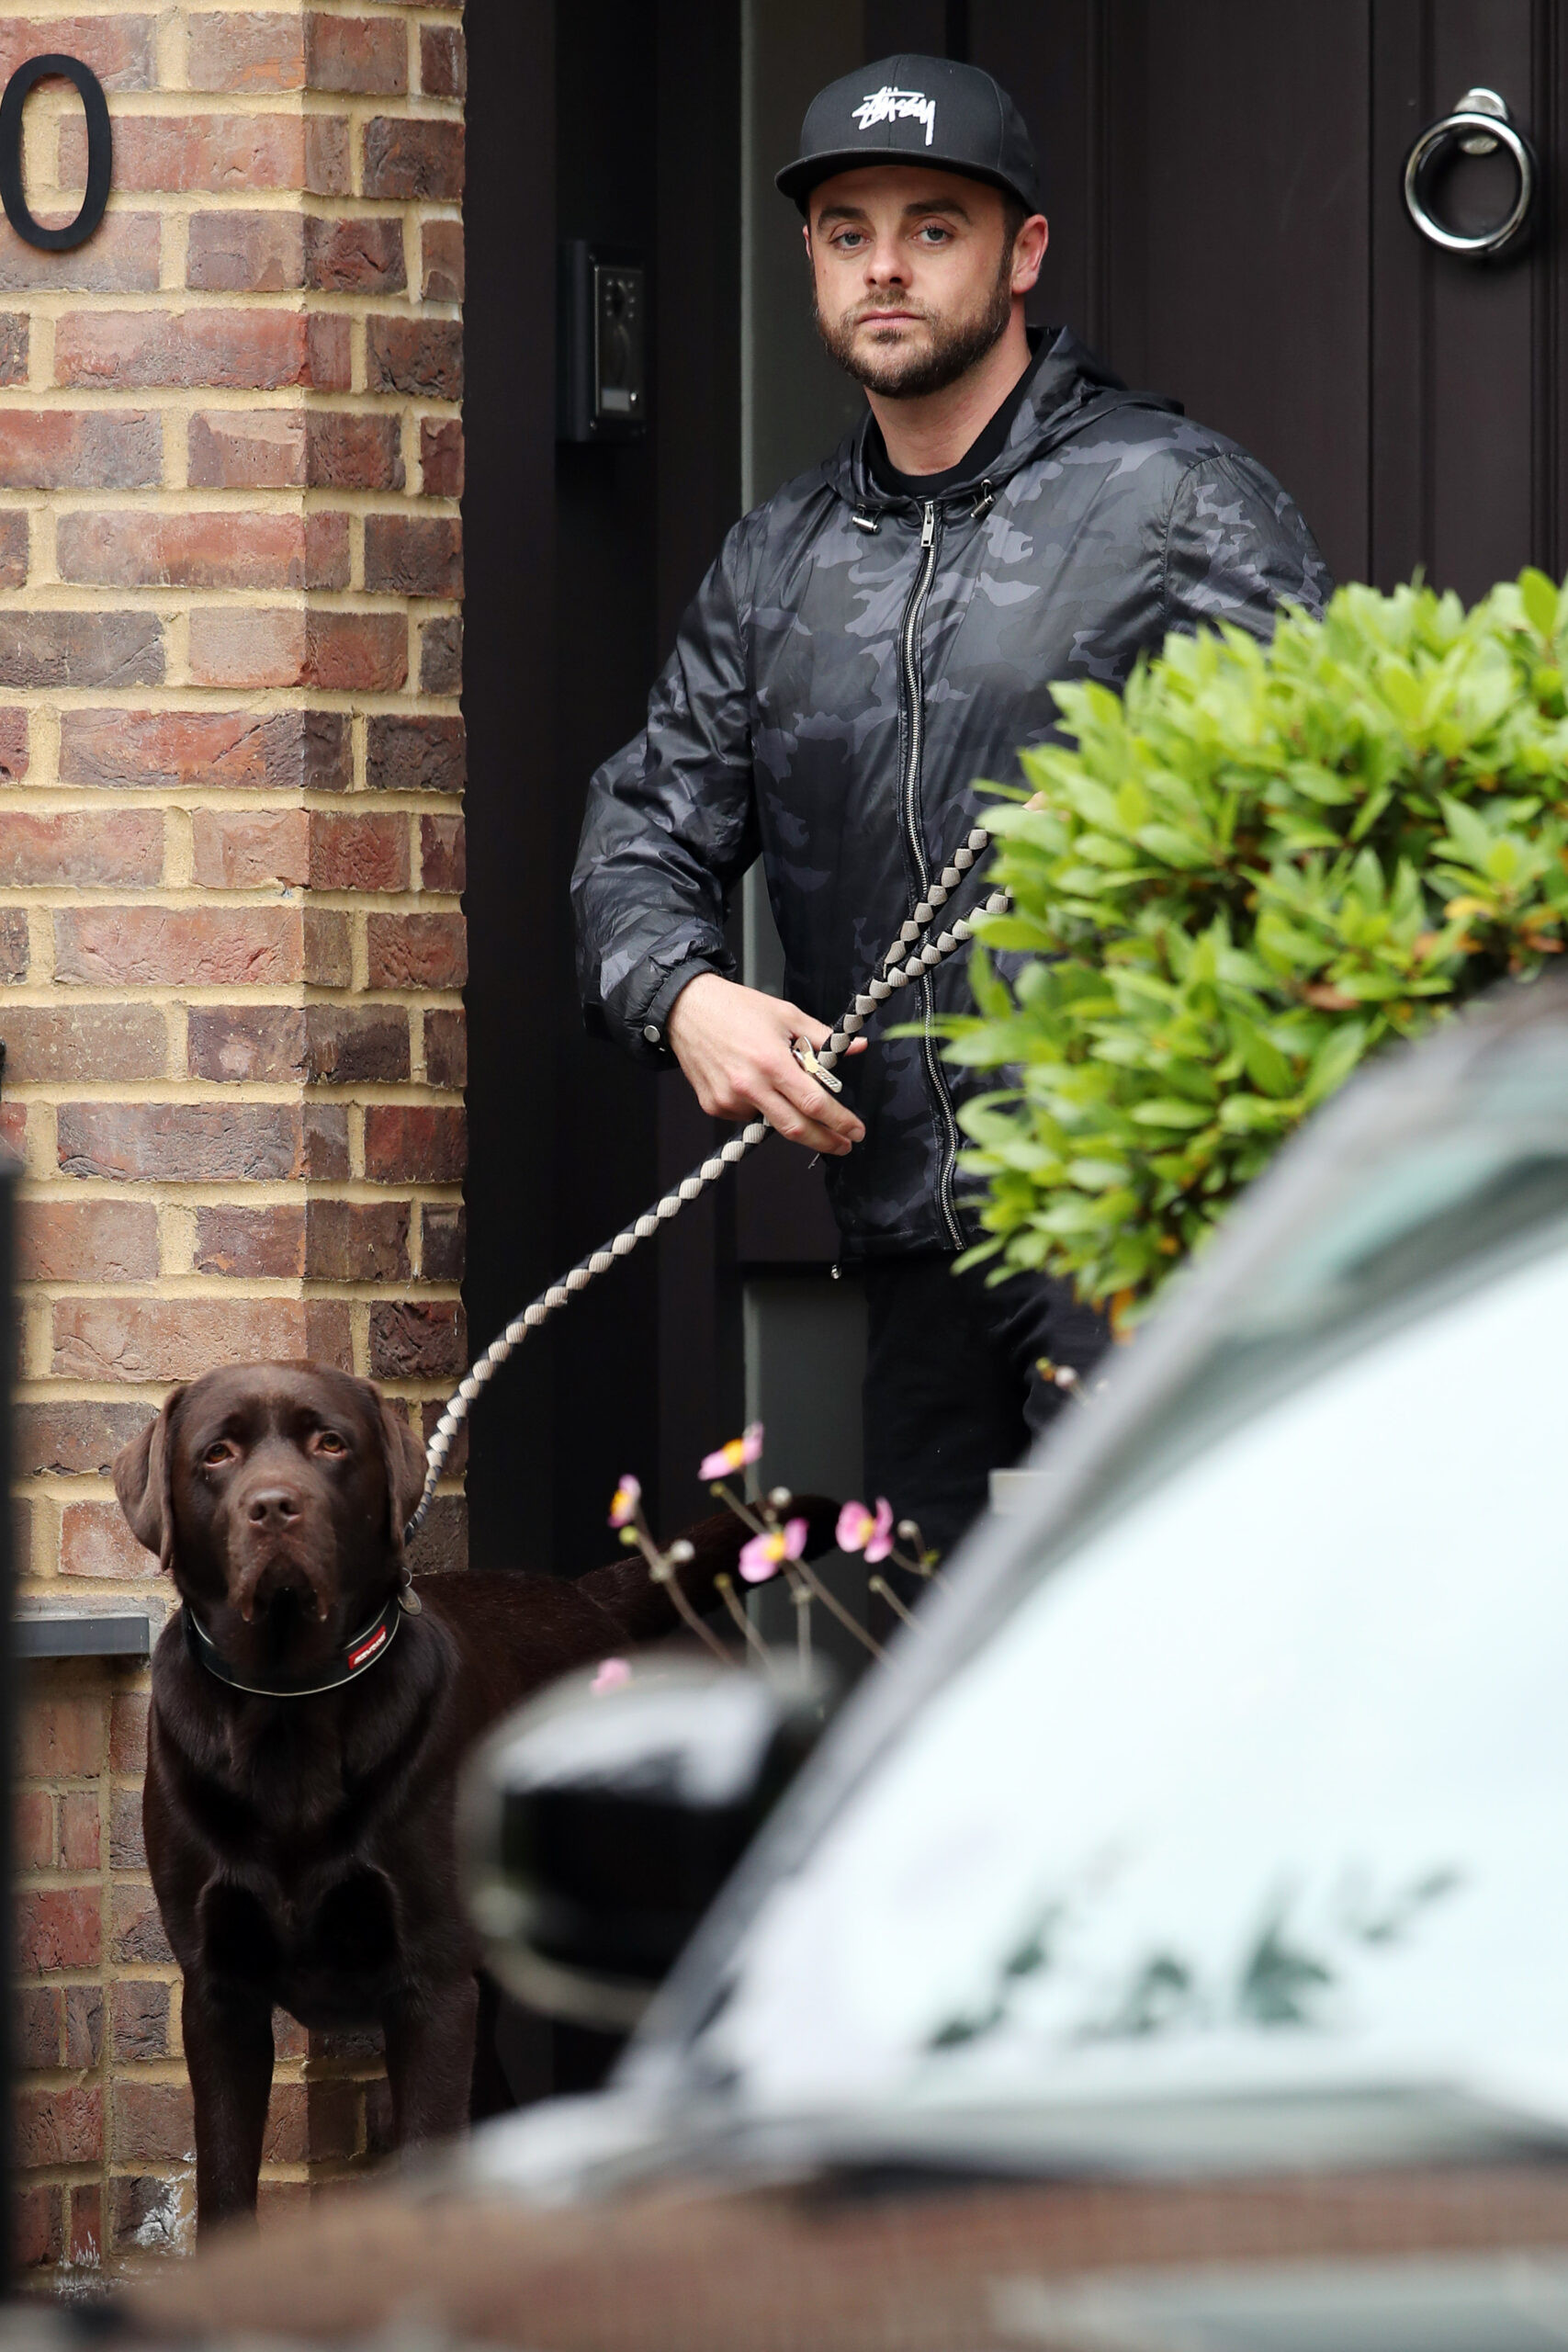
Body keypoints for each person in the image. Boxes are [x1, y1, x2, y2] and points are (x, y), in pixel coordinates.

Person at [573, 53, 1330, 1572]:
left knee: (1143, 1638)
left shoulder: (1174, 503)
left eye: (934, 226)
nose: (888, 267)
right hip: (907, 1237)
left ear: (1022, 252)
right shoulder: (777, 564)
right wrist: (687, 996)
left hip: (1136, 1225)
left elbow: (1316, 826)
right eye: (849, 232)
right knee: (910, 1662)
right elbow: (640, 834)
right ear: (812, 262)